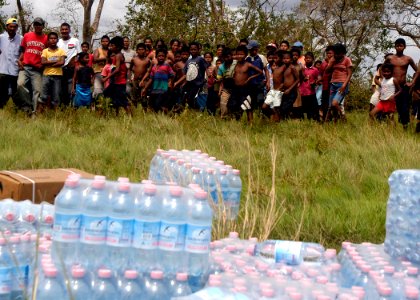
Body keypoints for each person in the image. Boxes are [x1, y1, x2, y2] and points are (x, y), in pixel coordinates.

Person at [16, 17, 48, 115]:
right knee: (20, 85)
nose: (37, 26)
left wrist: (43, 66)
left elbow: (47, 53)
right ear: (33, 25)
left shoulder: (46, 38)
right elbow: (23, 50)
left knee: (37, 91)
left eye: (39, 24)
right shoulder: (27, 35)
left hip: (37, 69)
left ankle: (34, 113)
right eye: (35, 24)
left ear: (43, 26)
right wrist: (19, 60)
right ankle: (28, 106)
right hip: (25, 67)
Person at [385, 38, 417, 129]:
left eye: (401, 46)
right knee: (393, 107)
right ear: (395, 47)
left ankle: (405, 126)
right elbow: (382, 69)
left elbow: (418, 71)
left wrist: (412, 82)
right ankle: (392, 126)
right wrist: (384, 82)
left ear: (404, 47)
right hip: (392, 87)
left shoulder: (408, 59)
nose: (399, 47)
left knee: (405, 108)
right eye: (397, 45)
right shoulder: (390, 58)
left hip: (403, 87)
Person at [230, 45, 263, 123]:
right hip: (236, 88)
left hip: (245, 89)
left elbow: (260, 72)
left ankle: (250, 123)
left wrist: (249, 78)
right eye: (237, 54)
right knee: (235, 105)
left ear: (245, 55)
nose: (239, 56)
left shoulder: (247, 64)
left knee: (248, 106)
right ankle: (236, 122)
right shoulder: (235, 64)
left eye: (241, 54)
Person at [102, 36, 131, 116]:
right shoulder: (117, 55)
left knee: (123, 100)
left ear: (118, 47)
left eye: (112, 45)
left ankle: (130, 117)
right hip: (115, 82)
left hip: (120, 82)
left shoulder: (118, 55)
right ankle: (114, 115)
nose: (110, 47)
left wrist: (107, 78)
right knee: (111, 96)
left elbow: (117, 69)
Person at [326, 43, 353, 122]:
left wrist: (344, 85)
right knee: (331, 106)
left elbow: (349, 74)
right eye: (335, 53)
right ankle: (334, 121)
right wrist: (331, 62)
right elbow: (327, 71)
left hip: (342, 84)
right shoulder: (333, 59)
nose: (336, 55)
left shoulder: (347, 60)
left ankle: (343, 117)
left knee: (335, 103)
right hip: (333, 84)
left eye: (338, 53)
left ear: (343, 53)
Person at [142, 48, 174, 113]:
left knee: (160, 104)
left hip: (164, 89)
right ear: (156, 57)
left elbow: (172, 75)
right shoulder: (154, 67)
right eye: (159, 56)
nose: (161, 57)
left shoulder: (167, 66)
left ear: (165, 57)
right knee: (153, 105)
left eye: (163, 56)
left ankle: (168, 115)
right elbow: (151, 78)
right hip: (155, 89)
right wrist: (145, 88)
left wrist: (171, 83)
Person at [0, 18, 22, 109]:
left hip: (15, 70)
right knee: (2, 92)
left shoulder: (21, 38)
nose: (12, 28)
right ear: (7, 27)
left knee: (15, 93)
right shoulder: (1, 37)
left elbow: (23, 52)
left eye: (14, 27)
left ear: (17, 28)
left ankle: (18, 111)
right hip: (2, 69)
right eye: (10, 26)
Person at [40, 32, 66, 109]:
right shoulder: (45, 51)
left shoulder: (61, 51)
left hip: (57, 76)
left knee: (56, 96)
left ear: (57, 40)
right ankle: (39, 115)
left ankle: (55, 116)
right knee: (43, 96)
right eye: (51, 38)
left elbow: (62, 62)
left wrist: (49, 63)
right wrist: (56, 61)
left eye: (55, 38)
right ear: (48, 40)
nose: (53, 40)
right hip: (46, 75)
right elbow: (43, 62)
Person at [57, 22, 81, 106]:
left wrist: (75, 65)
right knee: (60, 91)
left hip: (71, 70)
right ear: (60, 31)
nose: (64, 31)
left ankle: (71, 108)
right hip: (60, 69)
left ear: (69, 30)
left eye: (66, 29)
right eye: (62, 29)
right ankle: (61, 109)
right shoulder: (58, 42)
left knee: (70, 90)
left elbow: (79, 54)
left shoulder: (75, 41)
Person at [181, 42, 208, 110]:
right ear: (189, 50)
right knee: (187, 97)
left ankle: (199, 109)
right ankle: (193, 109)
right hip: (190, 83)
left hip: (198, 83)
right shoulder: (188, 61)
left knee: (193, 97)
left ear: (198, 50)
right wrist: (184, 83)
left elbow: (206, 68)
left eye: (195, 49)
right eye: (191, 49)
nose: (193, 51)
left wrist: (208, 77)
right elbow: (186, 73)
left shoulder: (200, 59)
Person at [246, 40, 268, 111]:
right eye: (250, 50)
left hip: (260, 83)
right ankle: (255, 113)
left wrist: (268, 81)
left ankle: (263, 112)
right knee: (252, 100)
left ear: (257, 49)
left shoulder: (261, 57)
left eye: (254, 50)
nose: (252, 51)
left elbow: (266, 70)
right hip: (250, 84)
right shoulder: (247, 58)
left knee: (260, 99)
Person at [278, 51, 299, 120]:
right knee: (282, 107)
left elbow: (298, 79)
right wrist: (282, 86)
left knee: (285, 108)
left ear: (291, 59)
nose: (285, 60)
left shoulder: (292, 68)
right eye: (284, 58)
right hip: (285, 91)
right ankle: (285, 121)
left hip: (292, 92)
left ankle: (289, 119)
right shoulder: (284, 68)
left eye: (287, 58)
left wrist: (289, 89)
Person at [129, 43, 151, 108]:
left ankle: (145, 111)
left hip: (144, 81)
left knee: (143, 97)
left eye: (142, 49)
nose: (141, 51)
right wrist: (130, 78)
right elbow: (130, 69)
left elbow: (149, 71)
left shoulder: (148, 60)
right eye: (139, 49)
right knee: (134, 96)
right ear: (137, 51)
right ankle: (135, 111)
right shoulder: (133, 59)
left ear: (145, 50)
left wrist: (145, 80)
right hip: (135, 80)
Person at [216, 47, 236, 119]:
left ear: (231, 55)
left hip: (236, 89)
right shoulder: (221, 67)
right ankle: (224, 119)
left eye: (228, 57)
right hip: (226, 88)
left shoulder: (236, 63)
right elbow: (219, 78)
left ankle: (233, 119)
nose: (227, 59)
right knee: (223, 104)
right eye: (225, 57)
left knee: (234, 105)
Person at [300, 52, 320, 120]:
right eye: (307, 58)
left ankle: (315, 120)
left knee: (313, 108)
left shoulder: (315, 70)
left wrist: (315, 82)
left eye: (310, 58)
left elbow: (318, 80)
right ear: (304, 59)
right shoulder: (301, 69)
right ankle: (302, 120)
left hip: (311, 92)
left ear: (313, 59)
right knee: (302, 108)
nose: (308, 59)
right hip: (302, 92)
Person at [319, 45, 334, 120]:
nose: (329, 55)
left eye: (331, 53)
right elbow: (320, 74)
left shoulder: (336, 63)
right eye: (328, 53)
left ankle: (336, 118)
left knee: (333, 104)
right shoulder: (323, 63)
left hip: (333, 87)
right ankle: (325, 119)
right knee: (325, 103)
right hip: (325, 87)